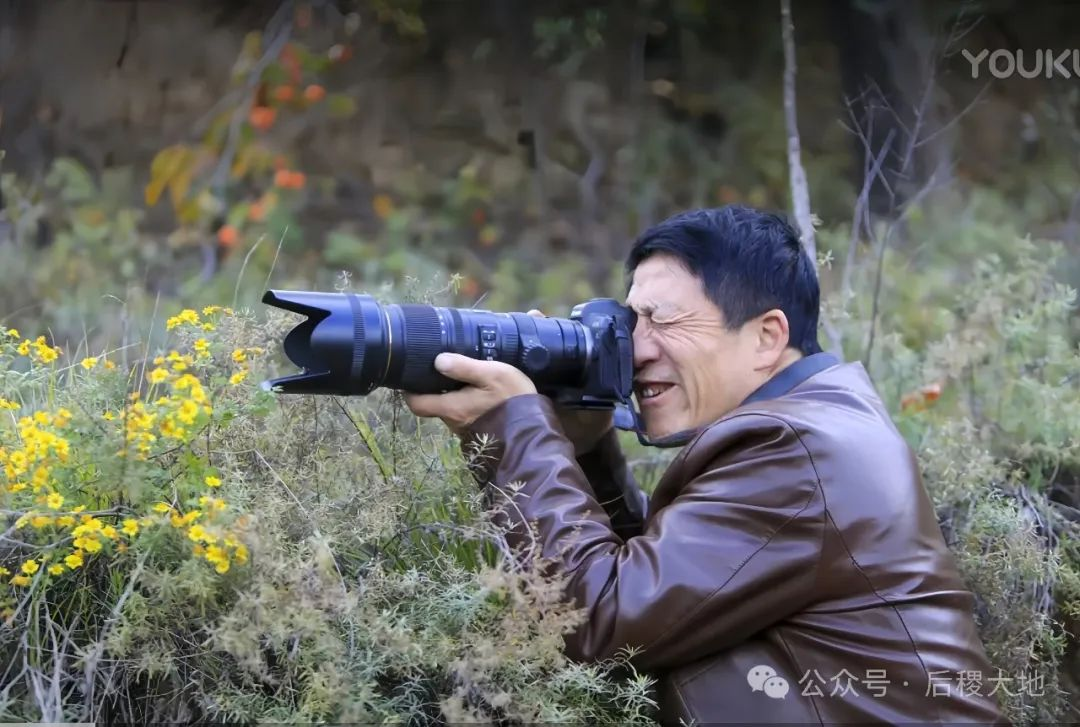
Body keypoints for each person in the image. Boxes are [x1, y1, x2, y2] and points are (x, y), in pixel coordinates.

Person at [405, 205, 1007, 724]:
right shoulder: (820, 428)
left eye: (664, 319)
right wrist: (583, 447)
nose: (637, 348)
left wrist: (514, 428)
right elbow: (665, 594)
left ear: (768, 337)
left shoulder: (798, 451)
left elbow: (599, 620)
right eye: (632, 319)